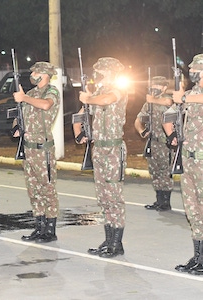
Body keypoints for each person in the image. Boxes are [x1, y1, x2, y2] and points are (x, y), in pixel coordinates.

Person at [73, 57, 128, 258]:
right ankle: (108, 239)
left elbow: (107, 100)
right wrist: (79, 131)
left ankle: (117, 243)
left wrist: (88, 98)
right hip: (98, 149)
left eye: (102, 72)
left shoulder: (119, 89)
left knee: (114, 197)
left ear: (112, 73)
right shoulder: (95, 93)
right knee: (103, 197)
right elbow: (81, 113)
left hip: (113, 150)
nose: (99, 75)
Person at [12, 62, 61, 243]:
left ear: (45, 74)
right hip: (28, 148)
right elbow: (21, 116)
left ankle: (50, 229)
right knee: (34, 190)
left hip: (42, 149)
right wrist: (17, 127)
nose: (32, 74)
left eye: (36, 71)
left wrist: (23, 98)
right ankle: (39, 226)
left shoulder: (52, 92)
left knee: (47, 188)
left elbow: (46, 105)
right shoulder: (30, 94)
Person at [164, 54, 203, 275]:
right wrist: (173, 135)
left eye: (197, 69)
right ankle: (199, 256)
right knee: (193, 211)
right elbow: (170, 113)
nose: (193, 72)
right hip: (189, 159)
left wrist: (184, 98)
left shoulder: (192, 96)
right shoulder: (191, 94)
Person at [134, 76, 174, 211]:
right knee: (155, 172)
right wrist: (141, 131)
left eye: (158, 86)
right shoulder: (148, 104)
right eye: (153, 86)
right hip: (153, 143)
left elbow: (168, 102)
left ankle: (166, 203)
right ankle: (159, 200)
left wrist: (152, 99)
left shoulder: (168, 99)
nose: (154, 88)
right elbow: (138, 120)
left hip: (166, 144)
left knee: (165, 173)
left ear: (164, 88)